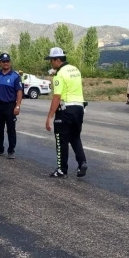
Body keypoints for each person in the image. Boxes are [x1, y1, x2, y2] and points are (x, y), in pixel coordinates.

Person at [44, 47, 87, 178]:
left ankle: (62, 170)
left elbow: (57, 97)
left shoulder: (59, 74)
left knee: (61, 139)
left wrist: (49, 117)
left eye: (51, 60)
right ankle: (82, 162)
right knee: (75, 137)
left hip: (65, 109)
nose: (50, 63)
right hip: (79, 108)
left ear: (57, 60)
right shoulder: (75, 70)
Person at [0, 53, 23, 159]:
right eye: (3, 61)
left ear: (10, 62)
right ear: (0, 63)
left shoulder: (15, 76)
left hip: (10, 105)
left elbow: (19, 92)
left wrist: (18, 106)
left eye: (7, 61)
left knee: (11, 129)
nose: (6, 63)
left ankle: (11, 151)